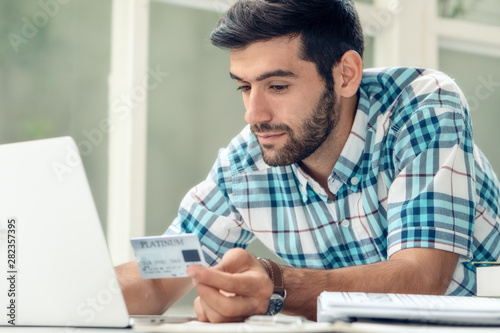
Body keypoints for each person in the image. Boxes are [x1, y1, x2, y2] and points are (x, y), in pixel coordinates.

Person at [116, 0, 500, 323]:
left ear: (346, 74)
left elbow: (423, 277)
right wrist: (74, 288)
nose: (254, 114)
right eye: (245, 87)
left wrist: (276, 284)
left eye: (278, 86)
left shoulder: (421, 105)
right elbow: (159, 276)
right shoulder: (244, 165)